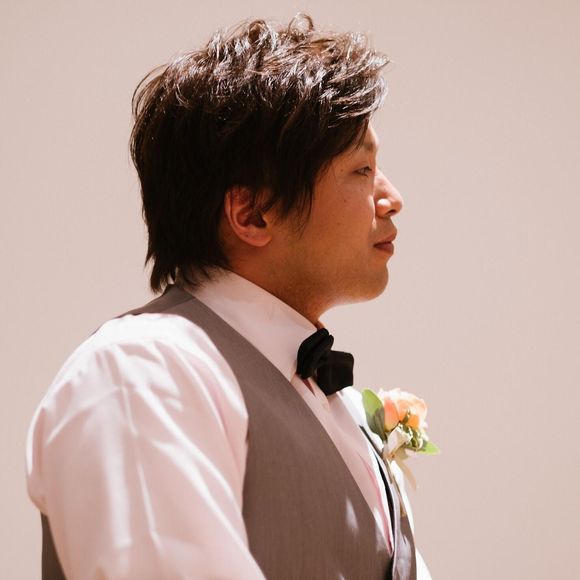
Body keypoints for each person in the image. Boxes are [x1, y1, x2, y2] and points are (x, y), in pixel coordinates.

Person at [26, 14, 431, 580]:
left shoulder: (329, 403)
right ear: (253, 213)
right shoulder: (144, 370)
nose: (393, 197)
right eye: (362, 168)